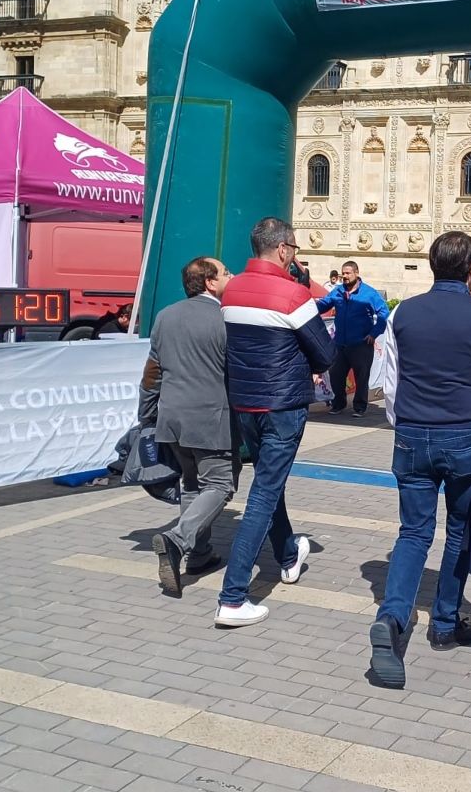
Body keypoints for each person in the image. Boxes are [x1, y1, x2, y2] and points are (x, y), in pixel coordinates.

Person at [369, 231, 471, 689]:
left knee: (412, 533)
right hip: (464, 439)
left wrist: (403, 423)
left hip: (412, 435)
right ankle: (445, 621)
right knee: (458, 530)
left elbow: (388, 384)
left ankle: (392, 619)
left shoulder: (402, 313)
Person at [216, 217, 336, 628]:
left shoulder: (230, 290)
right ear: (284, 249)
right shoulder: (292, 294)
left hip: (244, 404)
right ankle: (233, 596)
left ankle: (287, 554)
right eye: (296, 248)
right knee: (264, 493)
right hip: (283, 405)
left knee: (271, 481)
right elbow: (325, 353)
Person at [148, 257, 236, 597]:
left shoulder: (165, 315)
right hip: (210, 416)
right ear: (210, 283)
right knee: (220, 484)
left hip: (171, 416)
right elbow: (236, 371)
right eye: (226, 272)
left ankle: (199, 555)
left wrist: (147, 413)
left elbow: (152, 372)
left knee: (191, 483)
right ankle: (177, 540)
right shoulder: (224, 318)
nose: (231, 276)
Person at [319, 261, 390, 417]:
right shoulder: (337, 292)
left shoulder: (369, 293)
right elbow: (323, 305)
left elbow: (384, 313)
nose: (344, 276)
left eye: (348, 273)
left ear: (356, 273)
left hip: (361, 344)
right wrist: (308, 306)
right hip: (340, 344)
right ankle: (339, 404)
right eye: (343, 273)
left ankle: (359, 407)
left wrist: (374, 333)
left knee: (361, 377)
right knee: (336, 376)